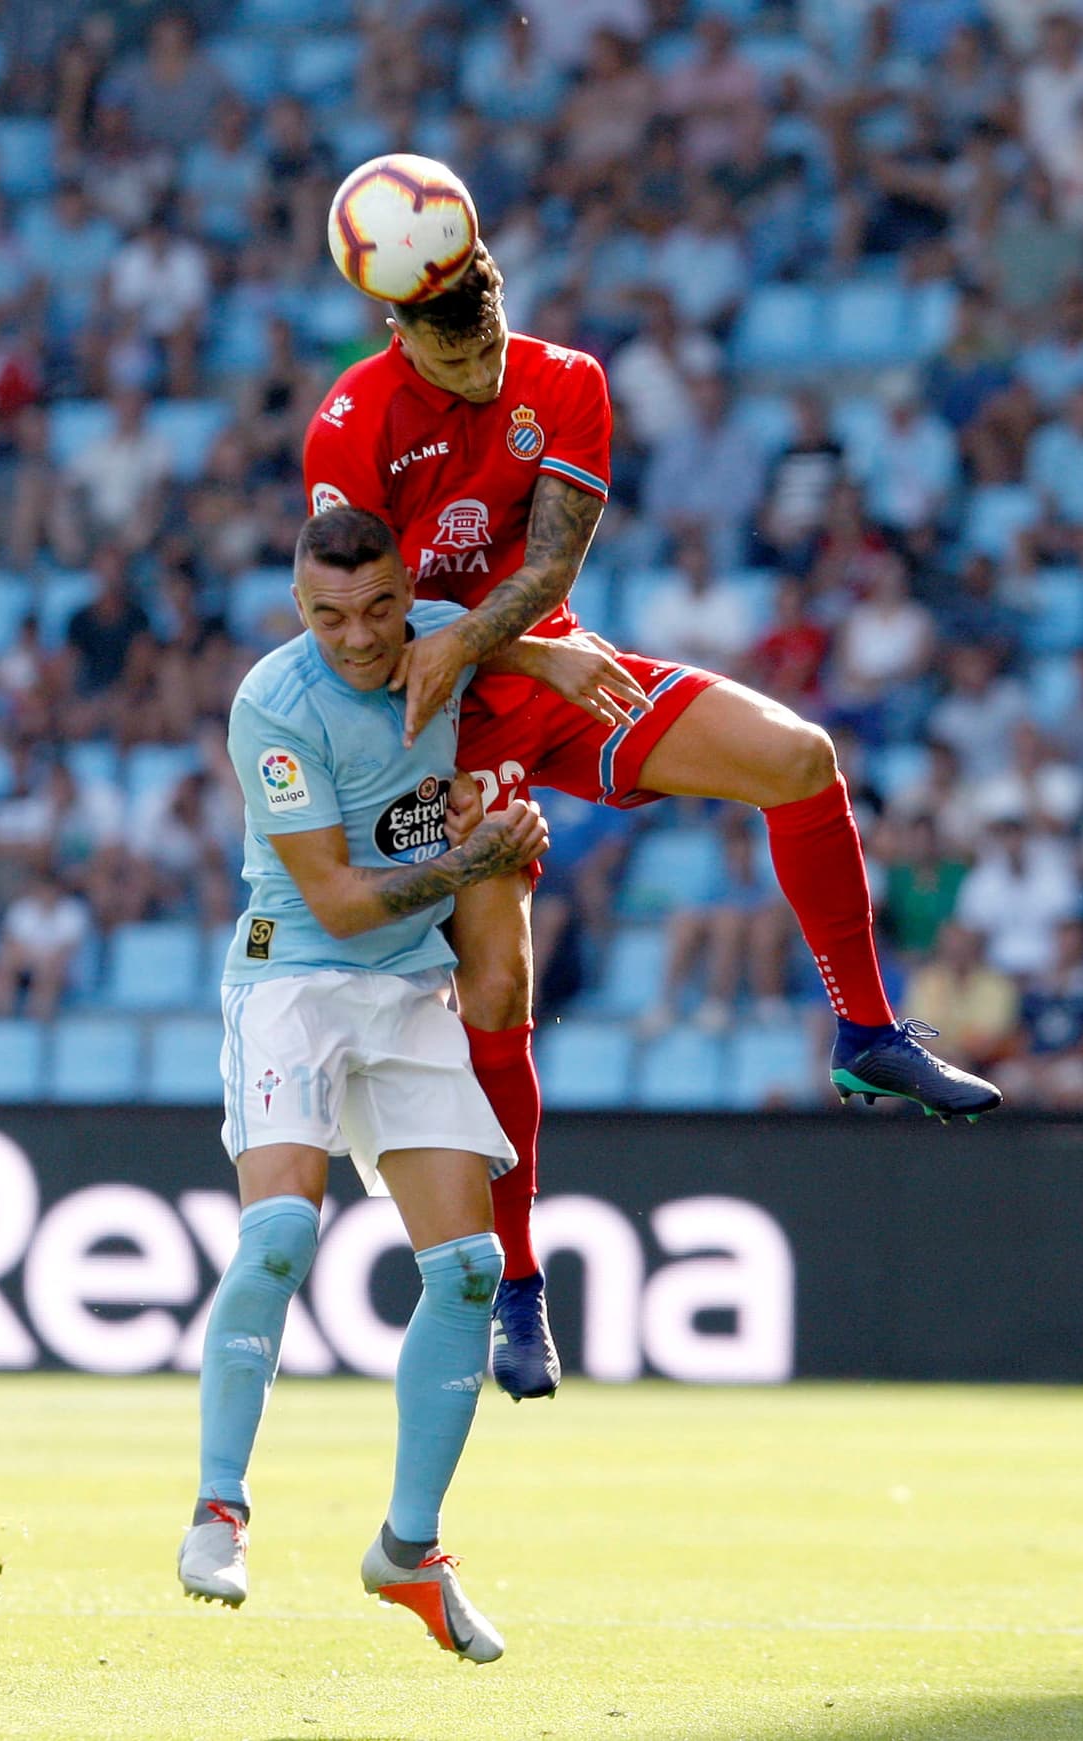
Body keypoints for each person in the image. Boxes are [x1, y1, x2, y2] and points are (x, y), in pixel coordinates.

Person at [304, 208, 1002, 1403]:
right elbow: (362, 635)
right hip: (442, 731)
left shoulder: (564, 380)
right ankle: (517, 1287)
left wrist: (523, 651)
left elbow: (552, 569)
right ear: (401, 337)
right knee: (501, 984)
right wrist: (521, 658)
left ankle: (865, 1032)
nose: (479, 378)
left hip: (551, 668)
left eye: (489, 353)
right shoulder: (351, 422)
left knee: (797, 756)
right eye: (455, 364)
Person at [178, 506, 643, 1655]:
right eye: (330, 614)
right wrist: (469, 860)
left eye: (379, 606)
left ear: (405, 591)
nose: (359, 635)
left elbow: (503, 639)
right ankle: (217, 1510)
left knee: (470, 1267)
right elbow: (334, 900)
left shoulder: (442, 631)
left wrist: (549, 654)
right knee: (280, 1234)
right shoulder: (274, 706)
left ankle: (407, 1549)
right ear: (299, 608)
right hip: (295, 979)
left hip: (407, 992)